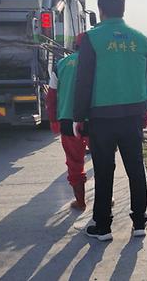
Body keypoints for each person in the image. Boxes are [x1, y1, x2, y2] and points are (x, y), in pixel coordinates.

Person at [74, 0, 147, 241]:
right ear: (123, 9)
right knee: (135, 168)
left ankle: (103, 226)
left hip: (101, 117)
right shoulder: (141, 39)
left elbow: (84, 80)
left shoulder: (92, 38)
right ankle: (139, 222)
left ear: (101, 11)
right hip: (132, 115)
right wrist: (144, 107)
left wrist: (79, 116)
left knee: (104, 169)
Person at [47, 33, 89, 211]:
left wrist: (53, 120)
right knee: (103, 160)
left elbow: (51, 96)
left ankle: (80, 202)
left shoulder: (62, 64)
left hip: (67, 120)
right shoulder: (100, 63)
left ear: (74, 46)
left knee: (74, 162)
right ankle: (106, 198)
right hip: (95, 120)